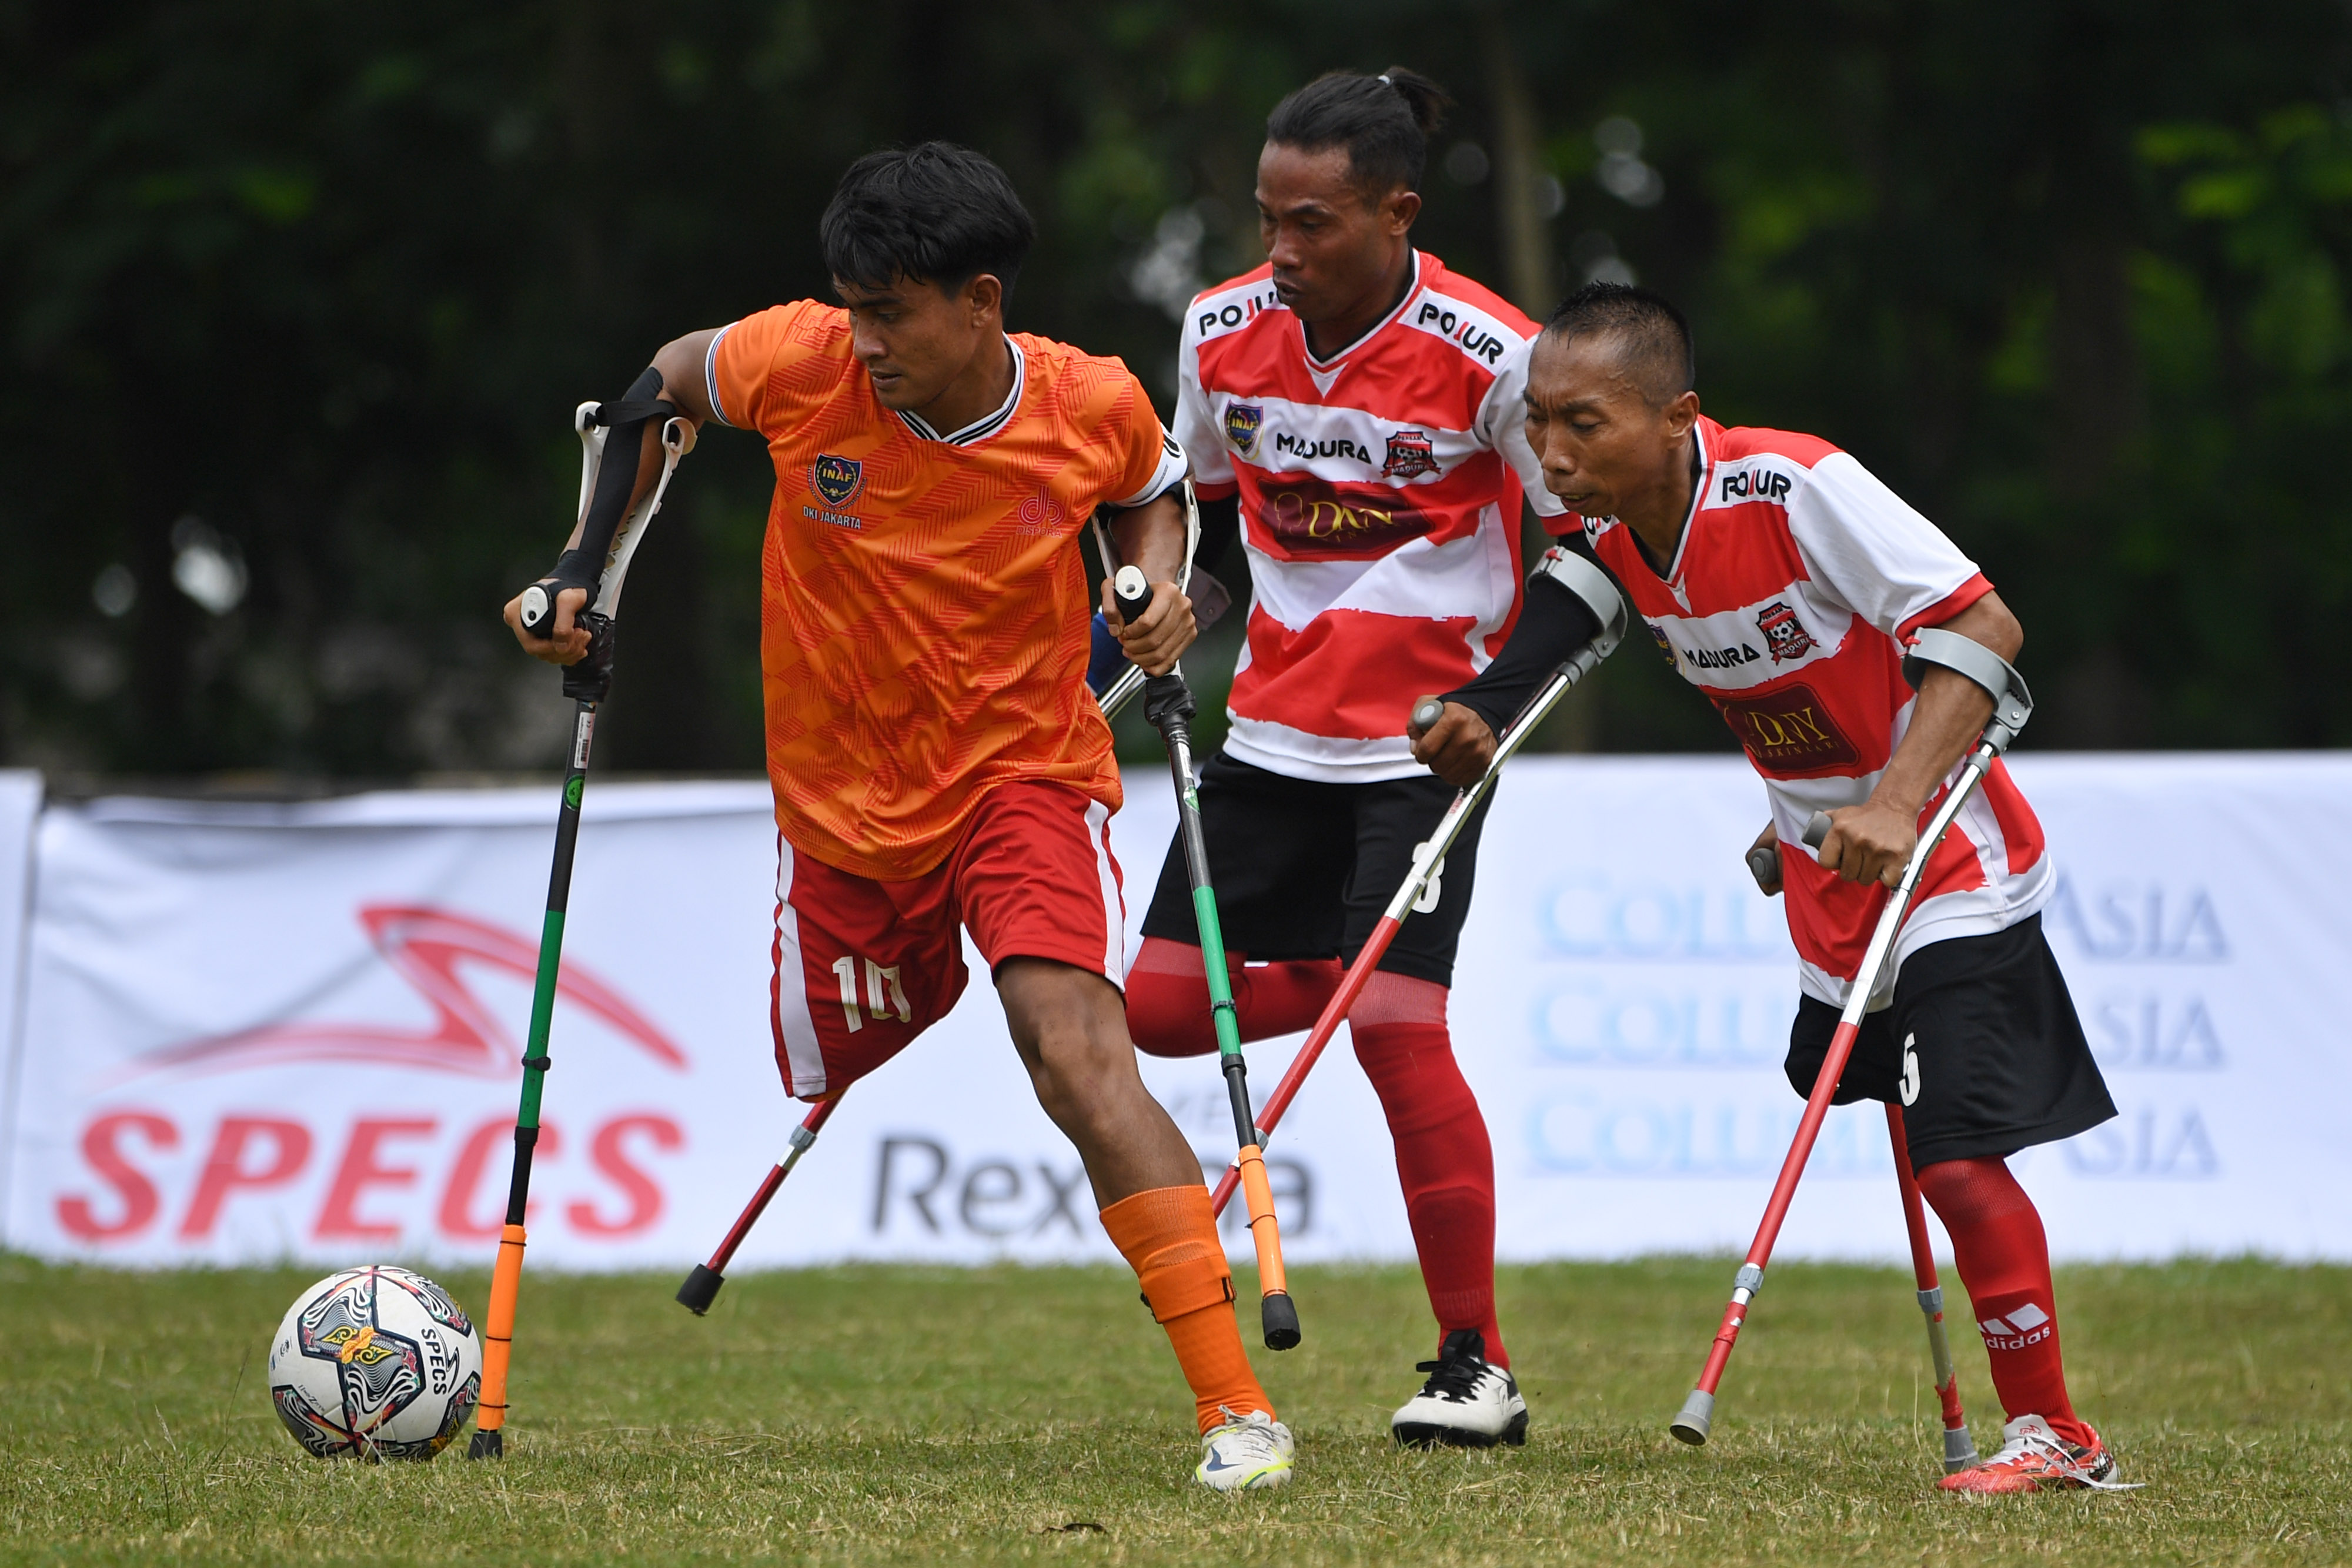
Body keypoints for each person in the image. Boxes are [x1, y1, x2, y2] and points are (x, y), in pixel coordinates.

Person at [503, 143, 1294, 1492]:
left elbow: (1156, 496)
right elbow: (651, 391)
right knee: (846, 1042)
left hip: (1022, 779)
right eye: (850, 305)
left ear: (978, 302)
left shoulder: (1084, 400)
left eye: (891, 313)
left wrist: (1157, 595)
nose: (862, 340)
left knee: (1071, 1045)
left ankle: (1235, 1407)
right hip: (842, 816)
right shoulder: (795, 359)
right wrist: (586, 567)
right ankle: (890, 989)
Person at [1415, 282, 2127, 1495]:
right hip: (1823, 878)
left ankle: (2058, 1434)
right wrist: (1480, 711)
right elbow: (1567, 609)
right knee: (1911, 1141)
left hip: (1949, 858)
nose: (1551, 451)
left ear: (1676, 414)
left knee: (1955, 1155)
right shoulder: (1606, 530)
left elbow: (1980, 626)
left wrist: (1894, 799)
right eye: (1538, 422)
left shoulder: (1793, 486)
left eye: (1584, 423)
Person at [1124, 66, 1562, 1449]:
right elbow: (1197, 514)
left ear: (1396, 212)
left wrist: (1492, 697)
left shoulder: (1494, 349)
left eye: (1311, 224)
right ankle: (1348, 970)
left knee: (1394, 1031)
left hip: (1423, 746)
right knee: (1152, 1007)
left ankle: (1470, 1365)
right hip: (1267, 733)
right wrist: (1167, 609)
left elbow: (1586, 543)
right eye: (1265, 218)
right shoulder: (1218, 327)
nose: (1281, 252)